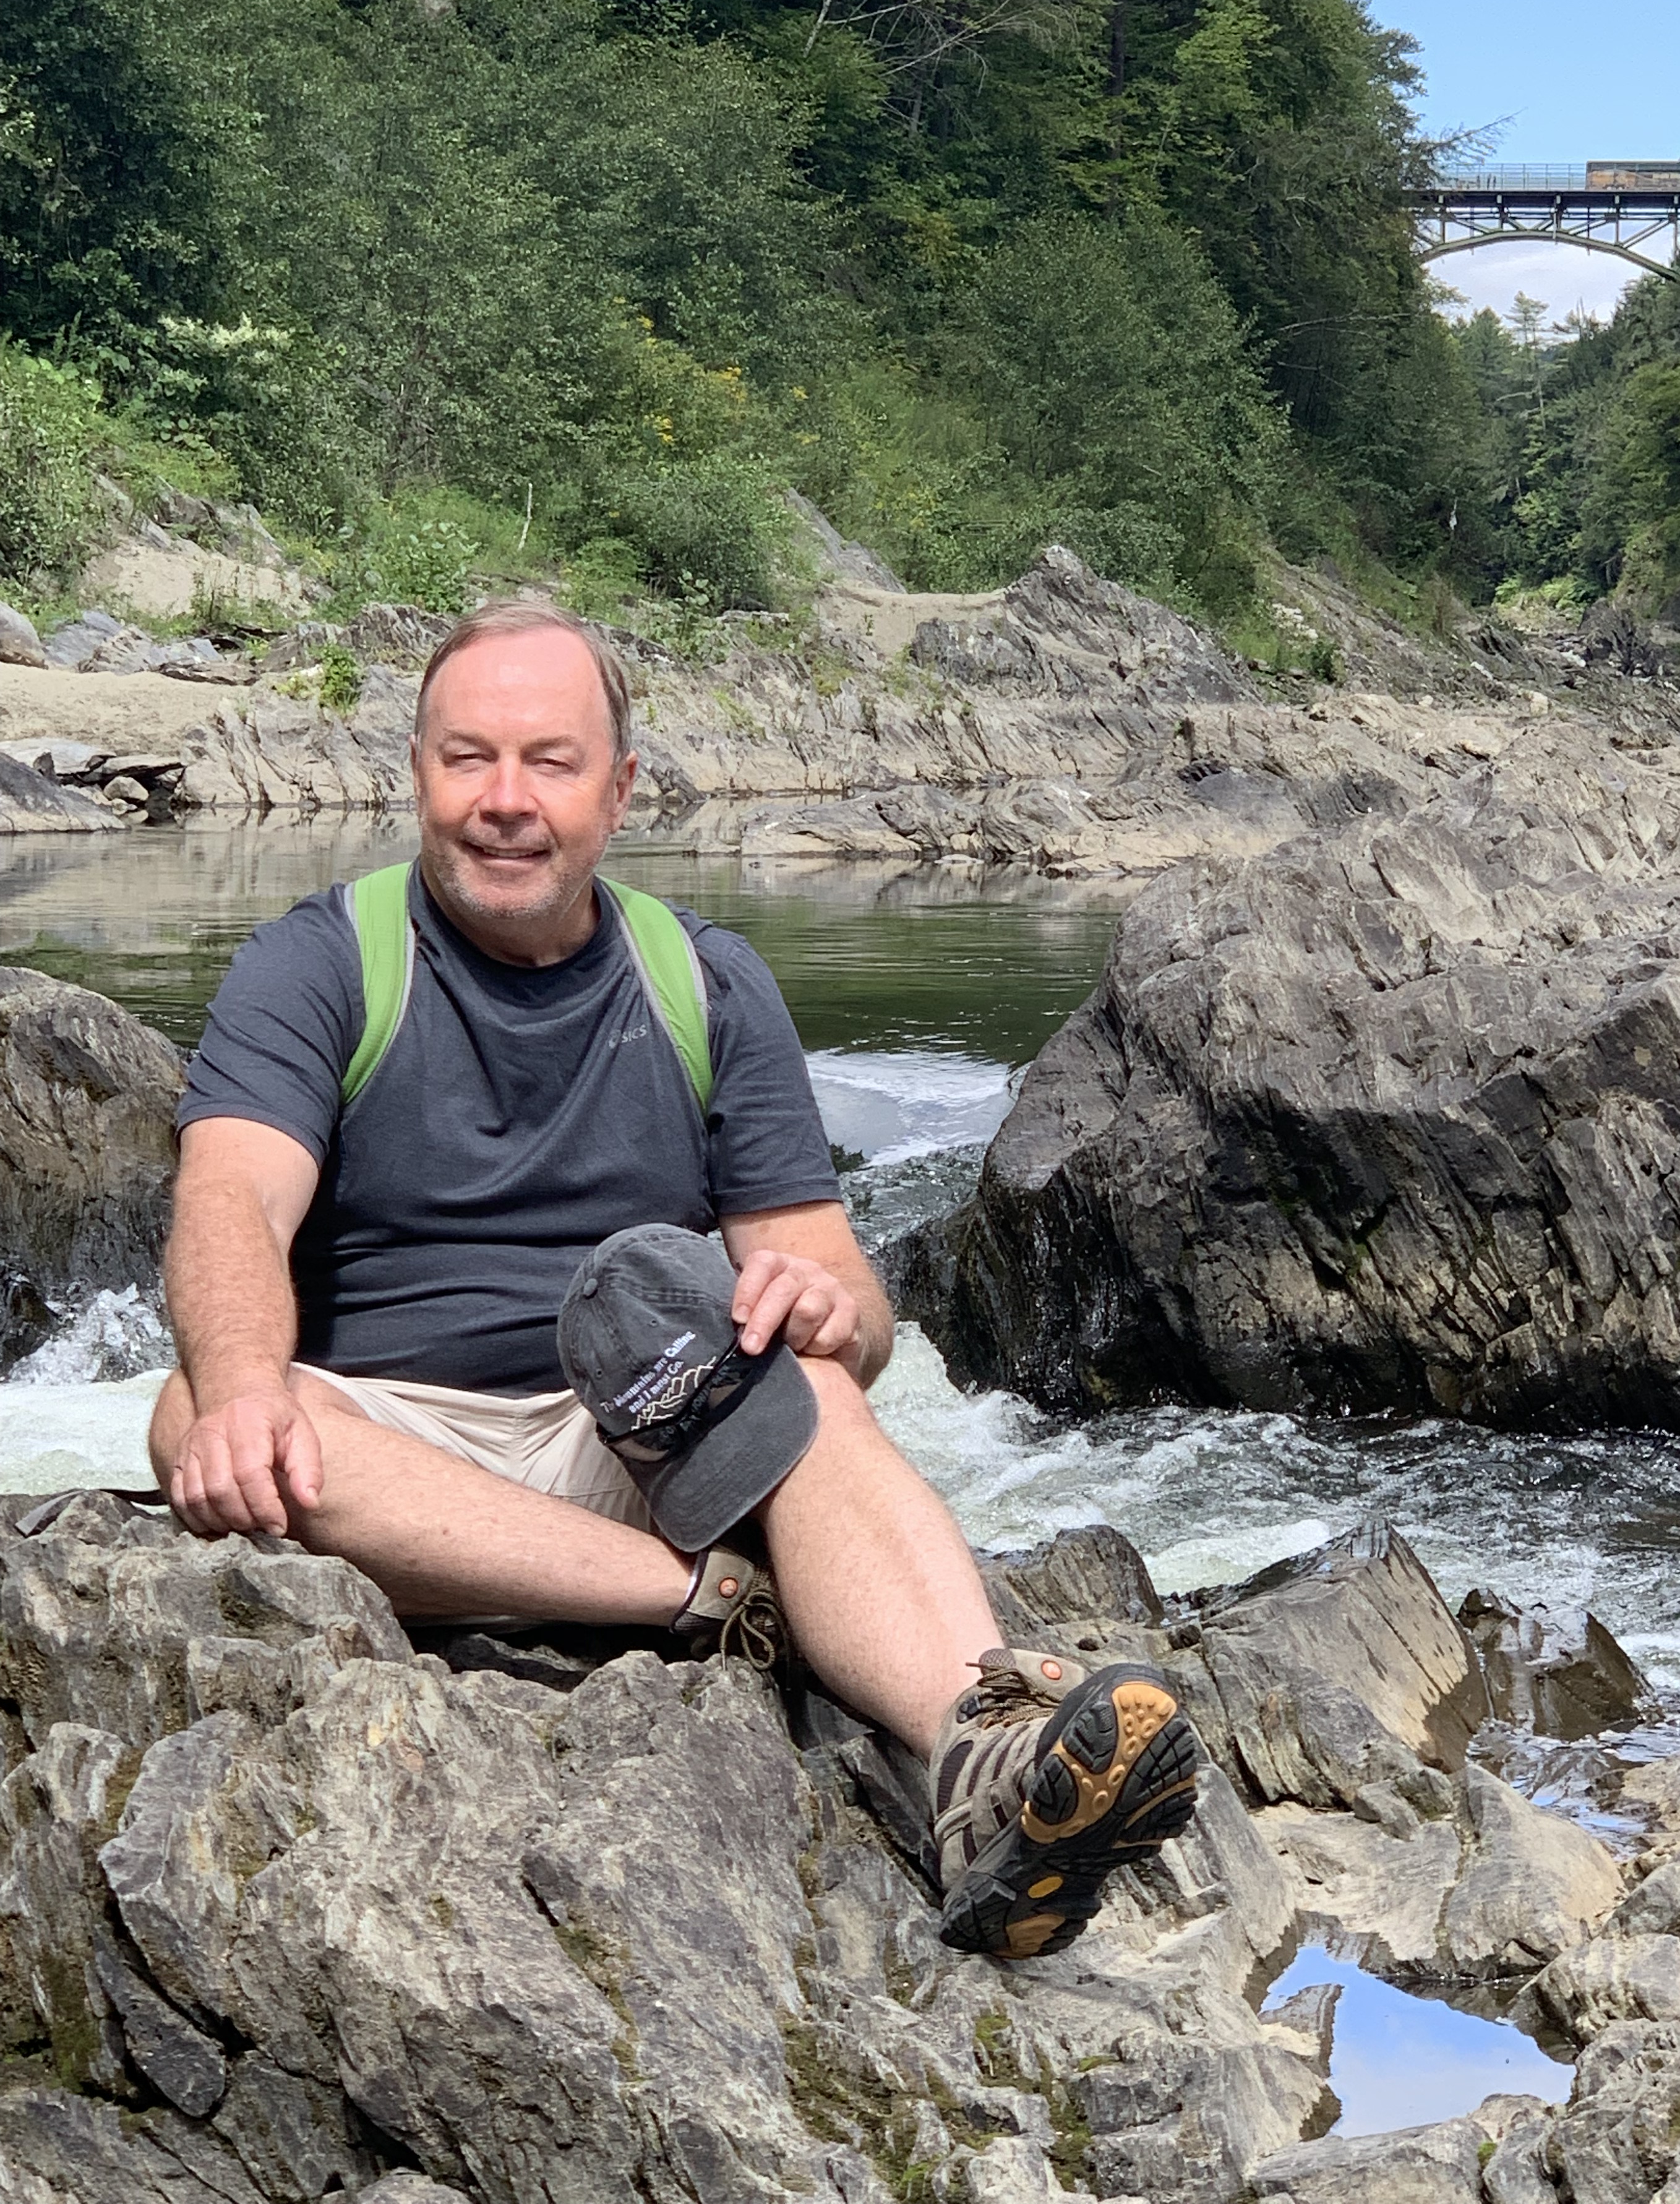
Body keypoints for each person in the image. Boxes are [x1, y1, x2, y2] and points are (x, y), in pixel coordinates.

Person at [149, 602, 1199, 1960]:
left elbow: (845, 1292)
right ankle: (709, 1597)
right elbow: (231, 1195)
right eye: (468, 759)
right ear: (416, 773)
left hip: (637, 1428)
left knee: (813, 1383)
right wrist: (243, 1387)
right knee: (197, 1411)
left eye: (551, 761)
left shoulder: (705, 980)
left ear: (621, 788)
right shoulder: (320, 962)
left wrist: (830, 1313)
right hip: (386, 1435)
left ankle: (978, 1759)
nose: (506, 800)